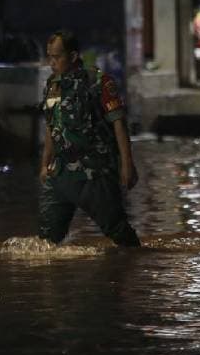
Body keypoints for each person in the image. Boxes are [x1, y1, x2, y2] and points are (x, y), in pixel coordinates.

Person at [38, 30, 141, 247]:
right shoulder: (53, 85)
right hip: (61, 172)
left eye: (57, 57)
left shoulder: (97, 82)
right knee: (45, 243)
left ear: (73, 56)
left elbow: (118, 124)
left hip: (94, 171)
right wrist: (44, 164)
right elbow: (51, 126)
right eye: (49, 56)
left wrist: (127, 165)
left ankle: (134, 272)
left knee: (120, 235)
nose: (51, 62)